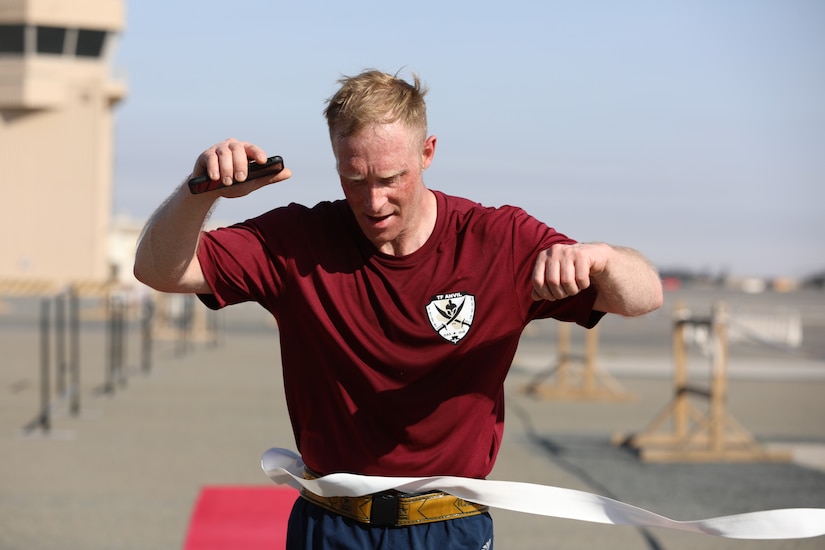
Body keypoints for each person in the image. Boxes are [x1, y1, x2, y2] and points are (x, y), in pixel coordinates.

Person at [134, 69, 663, 549]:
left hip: (447, 529)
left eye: (391, 179)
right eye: (355, 180)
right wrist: (198, 192)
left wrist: (605, 257)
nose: (373, 201)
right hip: (329, 525)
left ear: (427, 152)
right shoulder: (298, 240)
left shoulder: (497, 241)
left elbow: (643, 298)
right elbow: (159, 270)